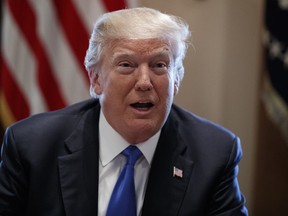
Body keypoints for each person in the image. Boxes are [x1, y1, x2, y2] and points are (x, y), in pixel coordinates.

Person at [0, 7, 248, 216]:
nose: (144, 82)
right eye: (126, 65)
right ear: (96, 78)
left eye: (159, 65)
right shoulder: (32, 146)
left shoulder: (215, 154)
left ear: (176, 79)